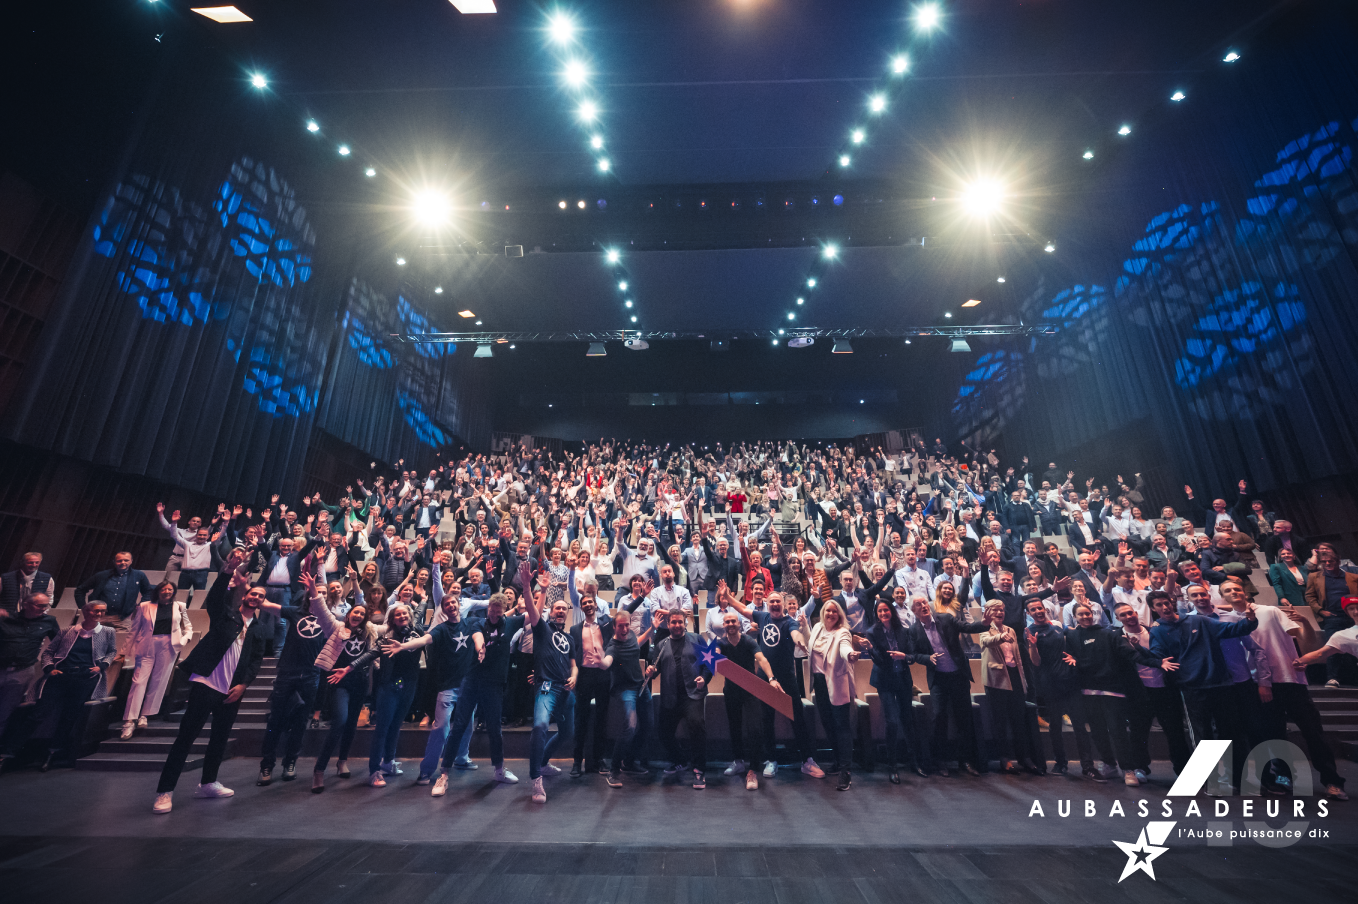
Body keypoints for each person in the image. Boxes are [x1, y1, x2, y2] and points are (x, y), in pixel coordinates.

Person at [153, 556, 275, 814]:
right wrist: (226, 573)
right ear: (245, 595)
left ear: (264, 602)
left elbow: (255, 661)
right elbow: (216, 597)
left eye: (261, 596)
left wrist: (244, 685)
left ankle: (207, 783)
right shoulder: (225, 616)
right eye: (253, 593)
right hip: (207, 684)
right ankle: (165, 791)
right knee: (185, 738)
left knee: (219, 739)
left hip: (232, 691)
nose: (256, 597)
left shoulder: (261, 629)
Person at [1149, 594, 1259, 793]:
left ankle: (1240, 780)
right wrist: (1160, 662)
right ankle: (1212, 782)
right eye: (1159, 604)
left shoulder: (1198, 620)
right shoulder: (1157, 631)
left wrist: (1250, 620)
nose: (1165, 606)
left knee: (1232, 732)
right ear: (1153, 608)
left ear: (1172, 603)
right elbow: (1156, 653)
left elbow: (1232, 629)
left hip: (1220, 684)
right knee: (1203, 736)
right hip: (1192, 688)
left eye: (1167, 602)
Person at [1062, 601, 1176, 786]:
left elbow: (1131, 655)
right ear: (1075, 617)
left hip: (1113, 691)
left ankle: (1127, 768)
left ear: (1093, 614)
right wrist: (1073, 660)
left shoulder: (1110, 634)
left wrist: (1157, 663)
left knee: (1118, 731)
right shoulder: (1072, 637)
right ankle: (1108, 764)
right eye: (1081, 614)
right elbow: (1070, 657)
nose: (1085, 617)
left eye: (1088, 613)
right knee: (1098, 732)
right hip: (1088, 692)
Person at [726, 589, 823, 778]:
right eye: (772, 602)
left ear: (784, 605)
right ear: (767, 604)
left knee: (797, 719)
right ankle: (771, 760)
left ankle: (807, 760)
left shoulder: (790, 622)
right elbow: (744, 610)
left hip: (787, 678)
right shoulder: (762, 617)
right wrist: (728, 597)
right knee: (766, 719)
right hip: (765, 677)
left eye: (778, 602)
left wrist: (800, 642)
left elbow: (796, 634)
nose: (775, 605)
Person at [20, 600, 117, 769]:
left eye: (103, 611)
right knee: (39, 712)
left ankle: (52, 753)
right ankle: (14, 752)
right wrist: (50, 668)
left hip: (85, 677)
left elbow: (112, 651)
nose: (99, 614)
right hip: (62, 675)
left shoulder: (108, 632)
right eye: (96, 611)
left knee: (69, 716)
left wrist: (101, 666)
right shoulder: (67, 631)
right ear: (86, 612)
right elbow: (49, 652)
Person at [256, 572, 330, 785]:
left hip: (311, 674)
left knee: (300, 722)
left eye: (323, 594)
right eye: (316, 594)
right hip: (287, 672)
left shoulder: (329, 619)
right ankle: (267, 765)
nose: (319, 597)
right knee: (275, 720)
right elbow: (267, 606)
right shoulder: (295, 612)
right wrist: (245, 588)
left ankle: (290, 762)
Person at [1112, 593, 1192, 779]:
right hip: (1139, 693)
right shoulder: (1116, 638)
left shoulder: (1154, 630)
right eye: (1123, 615)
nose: (1128, 616)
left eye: (1130, 612)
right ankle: (1140, 768)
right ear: (1117, 619)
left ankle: (1183, 770)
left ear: (1136, 613)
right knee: (1139, 733)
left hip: (1165, 690)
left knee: (1175, 732)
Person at [907, 595, 988, 775]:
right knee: (939, 718)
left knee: (963, 719)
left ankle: (965, 760)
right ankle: (941, 761)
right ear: (914, 611)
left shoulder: (945, 618)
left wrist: (984, 623)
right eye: (918, 605)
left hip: (958, 675)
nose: (923, 606)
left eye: (924, 603)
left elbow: (966, 627)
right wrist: (927, 658)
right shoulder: (913, 630)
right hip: (938, 680)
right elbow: (912, 655)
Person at [309, 593, 381, 793]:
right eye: (355, 612)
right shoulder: (336, 627)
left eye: (362, 613)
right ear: (349, 614)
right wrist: (315, 592)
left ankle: (342, 761)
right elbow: (322, 613)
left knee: (351, 725)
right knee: (340, 721)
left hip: (360, 683)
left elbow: (389, 627)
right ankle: (319, 770)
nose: (358, 615)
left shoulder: (369, 632)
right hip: (339, 682)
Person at [1293, 595, 1358, 800]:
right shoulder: (1345, 635)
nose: (1356, 611)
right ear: (1347, 613)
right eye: (1351, 609)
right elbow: (1321, 654)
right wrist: (1301, 661)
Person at [1024, 598, 1096, 777]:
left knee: (1079, 725)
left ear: (1044, 609)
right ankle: (1060, 762)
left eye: (1039, 608)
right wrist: (1033, 646)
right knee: (1055, 725)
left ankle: (1087, 765)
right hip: (1050, 685)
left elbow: (1074, 633)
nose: (1038, 611)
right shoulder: (1030, 632)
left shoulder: (1056, 626)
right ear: (1028, 613)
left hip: (1070, 681)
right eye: (1033, 610)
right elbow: (1036, 662)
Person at [524, 574, 578, 804]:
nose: (560, 611)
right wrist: (535, 588)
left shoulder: (569, 637)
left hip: (566, 690)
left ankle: (543, 763)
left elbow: (574, 665)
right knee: (540, 726)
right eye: (557, 608)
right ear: (551, 611)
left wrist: (575, 677)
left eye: (563, 608)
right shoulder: (542, 629)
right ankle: (536, 778)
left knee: (567, 733)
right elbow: (531, 609)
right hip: (546, 686)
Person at [862, 598, 926, 782]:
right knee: (892, 722)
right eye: (880, 611)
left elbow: (913, 656)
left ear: (892, 611)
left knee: (908, 720)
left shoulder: (904, 631)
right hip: (885, 681)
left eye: (886, 610)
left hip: (903, 680)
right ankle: (893, 765)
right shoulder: (871, 632)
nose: (883, 613)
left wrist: (903, 656)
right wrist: (871, 649)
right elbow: (879, 661)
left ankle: (914, 762)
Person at [121, 580, 193, 740]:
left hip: (169, 645)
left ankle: (145, 715)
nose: (167, 592)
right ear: (158, 591)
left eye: (170, 589)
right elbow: (134, 630)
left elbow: (188, 627)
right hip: (147, 645)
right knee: (139, 681)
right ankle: (129, 721)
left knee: (158, 681)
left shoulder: (180, 606)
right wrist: (124, 651)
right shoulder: (145, 606)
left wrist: (184, 639)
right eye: (164, 589)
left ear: (173, 592)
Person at [715, 609, 777, 790]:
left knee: (755, 729)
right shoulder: (721, 642)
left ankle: (753, 770)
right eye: (727, 622)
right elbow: (716, 655)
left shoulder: (749, 641)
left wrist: (772, 678)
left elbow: (762, 659)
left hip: (751, 691)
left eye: (734, 621)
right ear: (723, 625)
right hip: (731, 691)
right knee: (734, 727)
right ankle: (738, 761)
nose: (731, 624)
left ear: (739, 623)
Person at [651, 607, 712, 790]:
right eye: (674, 622)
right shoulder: (661, 644)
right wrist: (651, 671)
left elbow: (709, 663)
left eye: (680, 622)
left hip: (692, 694)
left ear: (685, 623)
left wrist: (704, 678)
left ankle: (699, 769)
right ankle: (680, 760)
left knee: (696, 728)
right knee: (663, 731)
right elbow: (655, 669)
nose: (677, 625)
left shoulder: (697, 639)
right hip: (670, 696)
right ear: (668, 624)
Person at [977, 600, 1040, 775]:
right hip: (996, 680)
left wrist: (1023, 679)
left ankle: (1024, 757)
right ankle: (1004, 759)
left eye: (1002, 610)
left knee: (1018, 720)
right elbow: (986, 643)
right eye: (995, 610)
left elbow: (1017, 657)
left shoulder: (1010, 629)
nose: (999, 613)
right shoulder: (983, 628)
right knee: (1000, 722)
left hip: (1015, 677)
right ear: (987, 612)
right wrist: (1000, 637)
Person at [367, 603, 424, 785]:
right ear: (392, 619)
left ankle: (388, 762)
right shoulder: (386, 638)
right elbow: (371, 655)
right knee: (383, 727)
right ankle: (374, 771)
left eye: (404, 614)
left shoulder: (418, 633)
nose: (401, 616)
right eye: (397, 614)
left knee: (397, 724)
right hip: (389, 685)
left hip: (410, 684)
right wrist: (349, 667)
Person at [0, 592, 60, 761]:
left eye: (46, 605)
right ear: (26, 604)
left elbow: (60, 644)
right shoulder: (6, 618)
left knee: (4, 712)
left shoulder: (49, 621)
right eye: (40, 605)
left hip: (22, 671)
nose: (44, 609)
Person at [601, 610, 653, 787]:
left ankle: (629, 763)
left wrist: (652, 629)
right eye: (620, 626)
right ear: (614, 626)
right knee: (630, 727)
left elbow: (636, 644)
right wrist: (600, 663)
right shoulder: (612, 647)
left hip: (641, 686)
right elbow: (607, 661)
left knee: (648, 725)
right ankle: (613, 770)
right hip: (625, 690)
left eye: (626, 625)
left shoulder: (631, 635)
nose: (624, 629)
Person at [569, 583, 612, 776]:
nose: (587, 605)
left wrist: (640, 597)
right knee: (581, 719)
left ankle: (599, 760)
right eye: (584, 603)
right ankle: (577, 762)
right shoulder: (574, 629)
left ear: (596, 604)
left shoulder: (606, 623)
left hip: (603, 674)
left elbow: (626, 611)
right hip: (584, 675)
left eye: (590, 602)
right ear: (581, 606)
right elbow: (573, 655)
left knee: (602, 719)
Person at [1304, 543, 1358, 687]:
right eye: (1324, 562)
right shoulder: (1314, 577)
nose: (1327, 564)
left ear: (1338, 561)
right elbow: (1310, 597)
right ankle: (1333, 678)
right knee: (1332, 647)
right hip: (1332, 617)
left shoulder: (1352, 577)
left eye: (1331, 561)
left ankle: (1354, 678)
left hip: (1353, 617)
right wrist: (1320, 611)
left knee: (1354, 647)